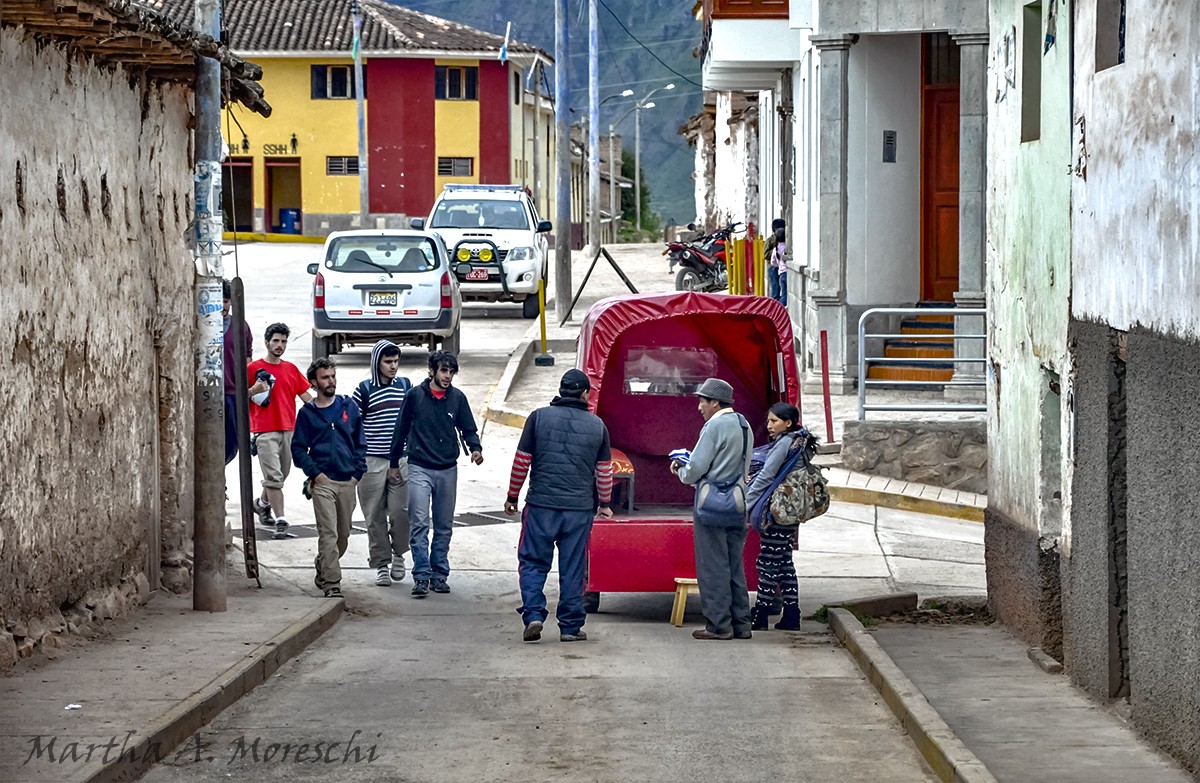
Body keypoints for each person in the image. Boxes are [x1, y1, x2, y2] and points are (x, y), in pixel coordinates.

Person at [504, 369, 614, 643]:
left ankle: (533, 615)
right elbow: (604, 471)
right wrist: (605, 503)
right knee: (573, 567)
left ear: (561, 390)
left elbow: (521, 462)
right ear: (585, 393)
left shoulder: (538, 418)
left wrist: (512, 496)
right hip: (578, 510)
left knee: (532, 562)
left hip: (541, 506)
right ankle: (570, 627)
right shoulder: (597, 426)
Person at [389, 351, 483, 598]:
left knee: (443, 524)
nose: (448, 376)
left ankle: (439, 573)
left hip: (447, 469)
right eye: (443, 371)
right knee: (419, 522)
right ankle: (421, 575)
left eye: (451, 372)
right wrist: (393, 462)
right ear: (432, 371)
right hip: (419, 466)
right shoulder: (415, 396)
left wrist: (475, 449)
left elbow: (468, 427)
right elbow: (400, 430)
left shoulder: (457, 399)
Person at [671, 378, 753, 640]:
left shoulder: (714, 426)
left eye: (702, 401)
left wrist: (680, 468)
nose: (699, 407)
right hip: (739, 503)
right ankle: (742, 625)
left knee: (713, 566)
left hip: (711, 504)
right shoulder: (744, 425)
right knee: (734, 564)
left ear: (715, 402)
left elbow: (695, 469)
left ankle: (718, 626)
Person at [291, 358, 367, 598]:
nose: (331, 381)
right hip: (323, 482)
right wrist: (316, 473)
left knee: (342, 535)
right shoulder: (307, 414)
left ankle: (323, 564)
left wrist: (357, 473)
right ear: (314, 383)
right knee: (328, 533)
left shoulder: (348, 407)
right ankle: (332, 584)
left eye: (333, 376)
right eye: (325, 377)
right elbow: (298, 449)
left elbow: (360, 442)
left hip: (348, 481)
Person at [744, 402, 813, 631]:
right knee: (783, 562)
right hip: (793, 511)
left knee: (767, 562)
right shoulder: (801, 441)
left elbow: (766, 476)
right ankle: (792, 614)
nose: (769, 425)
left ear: (788, 423)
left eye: (774, 421)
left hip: (779, 512)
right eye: (768, 420)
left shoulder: (785, 443)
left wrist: (746, 502)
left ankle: (760, 614)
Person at [354, 341, 413, 587]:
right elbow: (355, 426)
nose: (393, 367)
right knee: (374, 515)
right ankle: (380, 562)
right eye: (388, 362)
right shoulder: (364, 390)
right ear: (377, 362)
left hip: (401, 459)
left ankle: (399, 553)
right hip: (372, 461)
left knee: (402, 512)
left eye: (396, 362)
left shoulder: (406, 386)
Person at [247, 323, 313, 536]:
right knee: (274, 477)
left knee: (281, 475)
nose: (279, 345)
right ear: (267, 342)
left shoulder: (291, 369)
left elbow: (306, 397)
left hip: (289, 430)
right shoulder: (253, 369)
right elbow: (240, 397)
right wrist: (254, 389)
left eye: (283, 341)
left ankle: (261, 503)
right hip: (264, 431)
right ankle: (281, 519)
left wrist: (326, 414)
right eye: (275, 341)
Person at [223, 279, 252, 466]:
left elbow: (247, 358)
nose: (223, 305)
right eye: (219, 300)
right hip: (211, 392)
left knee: (233, 441)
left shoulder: (240, 326)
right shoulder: (203, 325)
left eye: (226, 301)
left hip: (233, 393)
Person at [764, 218, 785, 302]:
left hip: (781, 268)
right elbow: (765, 254)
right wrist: (775, 252)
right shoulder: (770, 240)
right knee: (775, 287)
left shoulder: (784, 238)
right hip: (773, 267)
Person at [769, 226, 788, 306]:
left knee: (783, 293)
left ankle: (780, 307)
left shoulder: (775, 249)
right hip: (787, 272)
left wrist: (779, 264)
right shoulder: (787, 248)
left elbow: (772, 262)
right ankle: (782, 308)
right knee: (786, 294)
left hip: (781, 273)